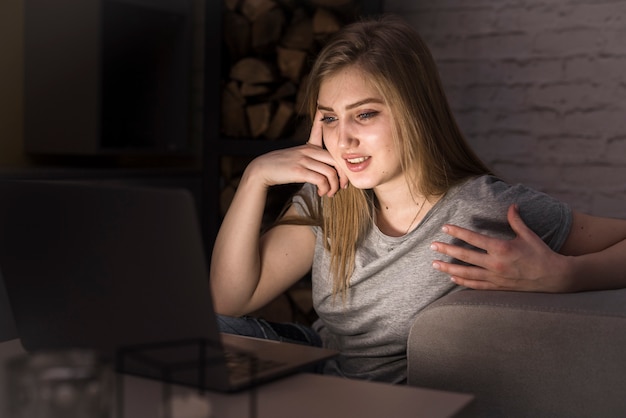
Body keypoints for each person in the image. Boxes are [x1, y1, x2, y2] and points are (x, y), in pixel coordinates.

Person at [210, 15, 626, 384]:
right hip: (319, 372)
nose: (343, 140)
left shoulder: (480, 207)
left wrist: (564, 276)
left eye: (365, 114)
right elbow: (231, 300)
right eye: (331, 118)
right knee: (203, 334)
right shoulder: (329, 197)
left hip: (385, 402)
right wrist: (255, 176)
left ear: (414, 111)